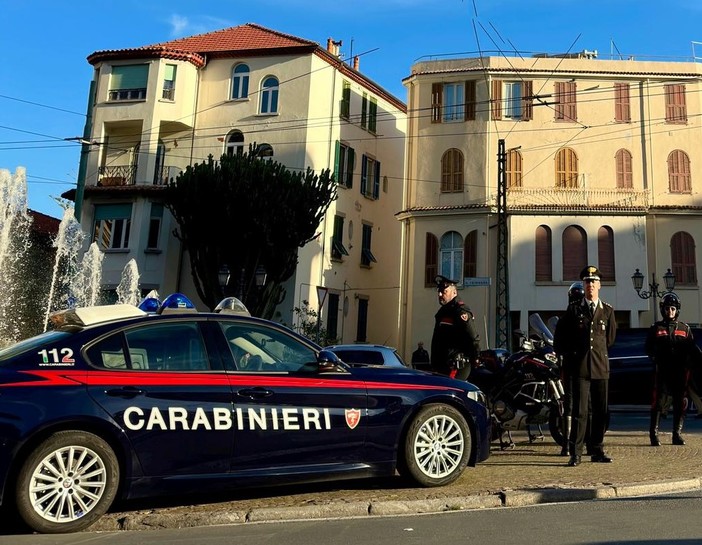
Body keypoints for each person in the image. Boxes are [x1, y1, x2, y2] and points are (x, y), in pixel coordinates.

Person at [554, 266, 617, 466]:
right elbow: (560, 337)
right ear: (583, 285)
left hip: (600, 367)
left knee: (600, 412)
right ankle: (576, 453)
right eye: (587, 282)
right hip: (580, 368)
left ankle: (597, 450)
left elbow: (610, 338)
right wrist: (569, 355)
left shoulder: (607, 310)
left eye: (593, 282)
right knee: (580, 412)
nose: (590, 285)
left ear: (599, 285)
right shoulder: (574, 310)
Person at [645, 292, 700, 446]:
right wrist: (656, 357)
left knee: (679, 403)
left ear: (677, 310)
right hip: (662, 372)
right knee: (658, 403)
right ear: (663, 309)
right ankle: (653, 435)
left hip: (680, 373)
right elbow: (648, 348)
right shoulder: (656, 328)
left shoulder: (685, 328)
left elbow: (692, 350)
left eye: (673, 309)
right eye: (667, 308)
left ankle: (677, 434)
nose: (670, 311)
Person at [430, 275, 481, 380]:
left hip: (456, 367)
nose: (440, 294)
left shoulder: (460, 311)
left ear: (454, 292)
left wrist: (476, 356)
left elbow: (473, 337)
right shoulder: (443, 312)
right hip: (441, 367)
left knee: (450, 394)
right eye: (439, 291)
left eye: (444, 292)